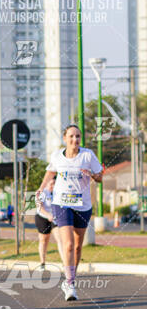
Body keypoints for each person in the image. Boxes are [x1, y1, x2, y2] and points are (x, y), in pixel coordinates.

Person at [37, 125, 103, 300]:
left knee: (77, 246)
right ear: (65, 138)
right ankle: (70, 283)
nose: (75, 140)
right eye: (72, 136)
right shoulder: (57, 156)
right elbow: (50, 172)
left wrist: (91, 174)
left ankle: (71, 279)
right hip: (62, 203)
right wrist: (41, 189)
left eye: (78, 136)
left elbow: (100, 177)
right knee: (67, 244)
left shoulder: (88, 155)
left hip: (83, 205)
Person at [35, 177, 64, 269]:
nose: (53, 186)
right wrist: (48, 215)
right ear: (46, 184)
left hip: (55, 218)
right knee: (44, 240)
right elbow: (40, 208)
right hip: (42, 217)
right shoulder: (41, 192)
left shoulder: (58, 192)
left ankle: (65, 263)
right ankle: (42, 263)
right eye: (51, 184)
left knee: (59, 239)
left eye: (54, 183)